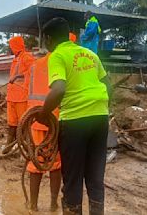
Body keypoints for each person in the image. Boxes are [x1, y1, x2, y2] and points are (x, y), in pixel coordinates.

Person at [38, 17, 111, 214]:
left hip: (74, 121)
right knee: (95, 177)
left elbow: (59, 89)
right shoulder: (89, 53)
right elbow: (108, 83)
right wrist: (100, 108)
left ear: (48, 38)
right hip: (100, 119)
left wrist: (43, 115)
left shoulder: (57, 56)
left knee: (72, 178)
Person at [27, 52, 62, 212]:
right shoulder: (62, 62)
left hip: (35, 120)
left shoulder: (34, 65)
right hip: (56, 119)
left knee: (35, 162)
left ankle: (33, 205)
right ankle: (53, 204)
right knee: (55, 164)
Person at [1, 36, 34, 155]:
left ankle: (26, 150)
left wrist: (17, 77)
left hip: (22, 97)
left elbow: (32, 72)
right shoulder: (15, 59)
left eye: (11, 46)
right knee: (11, 123)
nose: (9, 48)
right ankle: (8, 146)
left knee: (23, 125)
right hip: (12, 97)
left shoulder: (27, 57)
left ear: (15, 46)